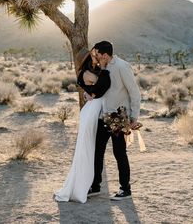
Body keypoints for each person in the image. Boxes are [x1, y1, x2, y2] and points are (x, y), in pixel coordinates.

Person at [53, 47, 110, 203]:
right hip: (92, 111)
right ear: (87, 58)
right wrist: (104, 69)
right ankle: (83, 185)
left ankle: (91, 183)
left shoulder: (95, 70)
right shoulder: (87, 73)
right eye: (93, 55)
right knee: (87, 147)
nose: (96, 56)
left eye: (97, 54)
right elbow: (101, 89)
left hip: (96, 108)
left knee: (92, 148)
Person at [87, 41, 141, 201]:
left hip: (118, 117)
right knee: (97, 151)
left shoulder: (122, 67)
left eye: (97, 54)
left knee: (119, 153)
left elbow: (134, 93)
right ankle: (95, 186)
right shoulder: (102, 68)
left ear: (105, 55)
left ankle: (125, 189)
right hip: (103, 116)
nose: (95, 57)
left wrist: (134, 117)